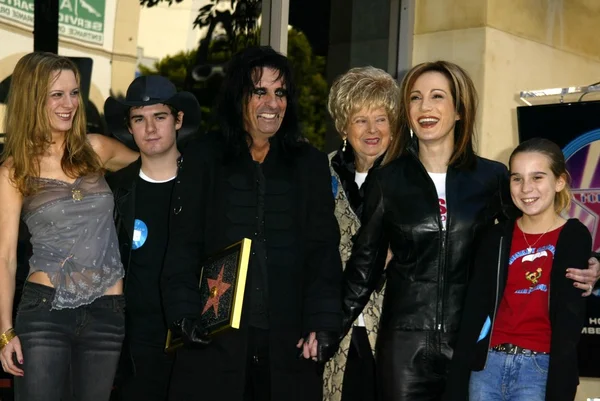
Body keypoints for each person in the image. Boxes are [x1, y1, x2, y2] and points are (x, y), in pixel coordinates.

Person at [338, 60, 600, 401]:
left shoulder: (492, 178)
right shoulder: (387, 180)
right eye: (415, 98)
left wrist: (593, 262)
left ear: (459, 109)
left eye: (437, 96)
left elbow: (537, 231)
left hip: (473, 346)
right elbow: (364, 266)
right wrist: (326, 330)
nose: (425, 107)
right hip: (404, 343)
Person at [161, 46, 342, 401]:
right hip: (214, 344)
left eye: (280, 93)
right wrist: (184, 316)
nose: (272, 104)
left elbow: (323, 253)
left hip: (287, 346)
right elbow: (182, 245)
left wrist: (322, 324)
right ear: (238, 96)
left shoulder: (310, 164)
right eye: (259, 92)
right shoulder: (203, 156)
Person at [0, 52, 138, 401]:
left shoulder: (97, 149)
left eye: (74, 93)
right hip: (45, 312)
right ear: (34, 99)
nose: (69, 103)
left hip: (108, 314)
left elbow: (160, 169)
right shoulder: (14, 171)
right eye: (56, 94)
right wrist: (5, 332)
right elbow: (4, 257)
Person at [445, 138, 594, 401]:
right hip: (486, 367)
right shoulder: (496, 237)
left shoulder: (574, 236)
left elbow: (571, 315)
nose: (526, 188)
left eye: (537, 177)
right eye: (517, 178)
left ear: (559, 181)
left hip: (540, 370)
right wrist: (459, 377)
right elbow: (474, 310)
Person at [103, 75, 201, 401]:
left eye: (160, 116)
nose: (150, 128)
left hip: (195, 339)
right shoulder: (116, 190)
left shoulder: (204, 186)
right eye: (139, 119)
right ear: (129, 128)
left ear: (178, 119)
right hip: (136, 348)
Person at [322, 66, 399, 401]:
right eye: (360, 119)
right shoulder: (319, 175)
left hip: (395, 336)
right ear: (343, 126)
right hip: (336, 337)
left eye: (381, 118)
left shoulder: (413, 178)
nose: (372, 130)